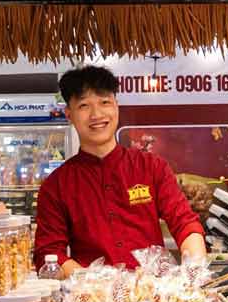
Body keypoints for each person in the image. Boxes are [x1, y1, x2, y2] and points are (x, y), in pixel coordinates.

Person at [33, 66, 206, 275]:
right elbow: (49, 252)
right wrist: (94, 283)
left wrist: (195, 269)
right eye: (84, 105)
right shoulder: (56, 185)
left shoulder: (152, 167)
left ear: (116, 106)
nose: (96, 114)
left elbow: (185, 223)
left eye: (104, 102)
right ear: (69, 114)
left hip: (153, 294)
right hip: (94, 301)